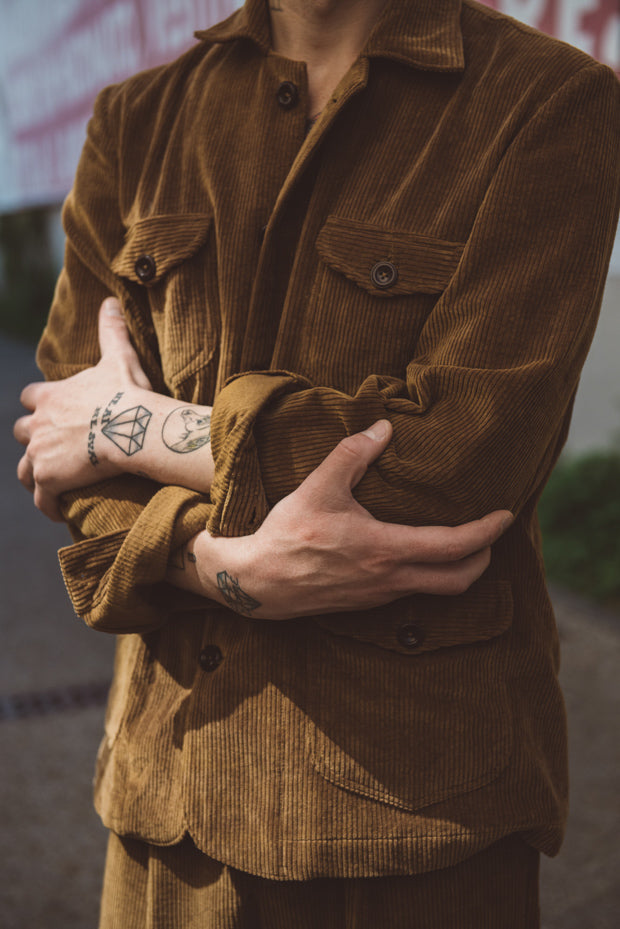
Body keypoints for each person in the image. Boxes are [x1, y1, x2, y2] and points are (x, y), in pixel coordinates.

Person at [13, 0, 620, 925]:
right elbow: (63, 453)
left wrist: (130, 423)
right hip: (164, 806)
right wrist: (217, 567)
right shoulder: (135, 122)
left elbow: (452, 472)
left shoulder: (550, 103)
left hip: (415, 824)